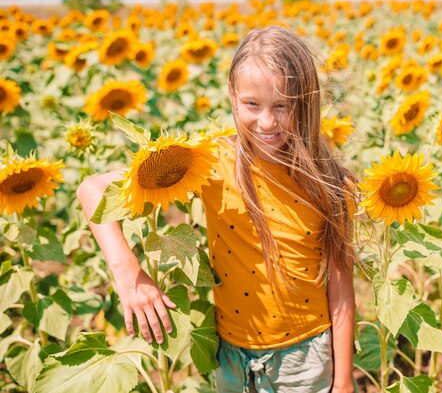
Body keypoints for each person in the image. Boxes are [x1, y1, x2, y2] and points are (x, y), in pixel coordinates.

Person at [77, 26, 357, 393]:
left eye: (282, 106)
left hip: (305, 358)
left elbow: (340, 287)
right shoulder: (211, 162)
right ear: (232, 96)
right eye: (252, 104)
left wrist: (344, 380)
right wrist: (128, 273)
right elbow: (92, 188)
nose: (267, 122)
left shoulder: (327, 181)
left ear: (305, 101)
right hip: (231, 356)